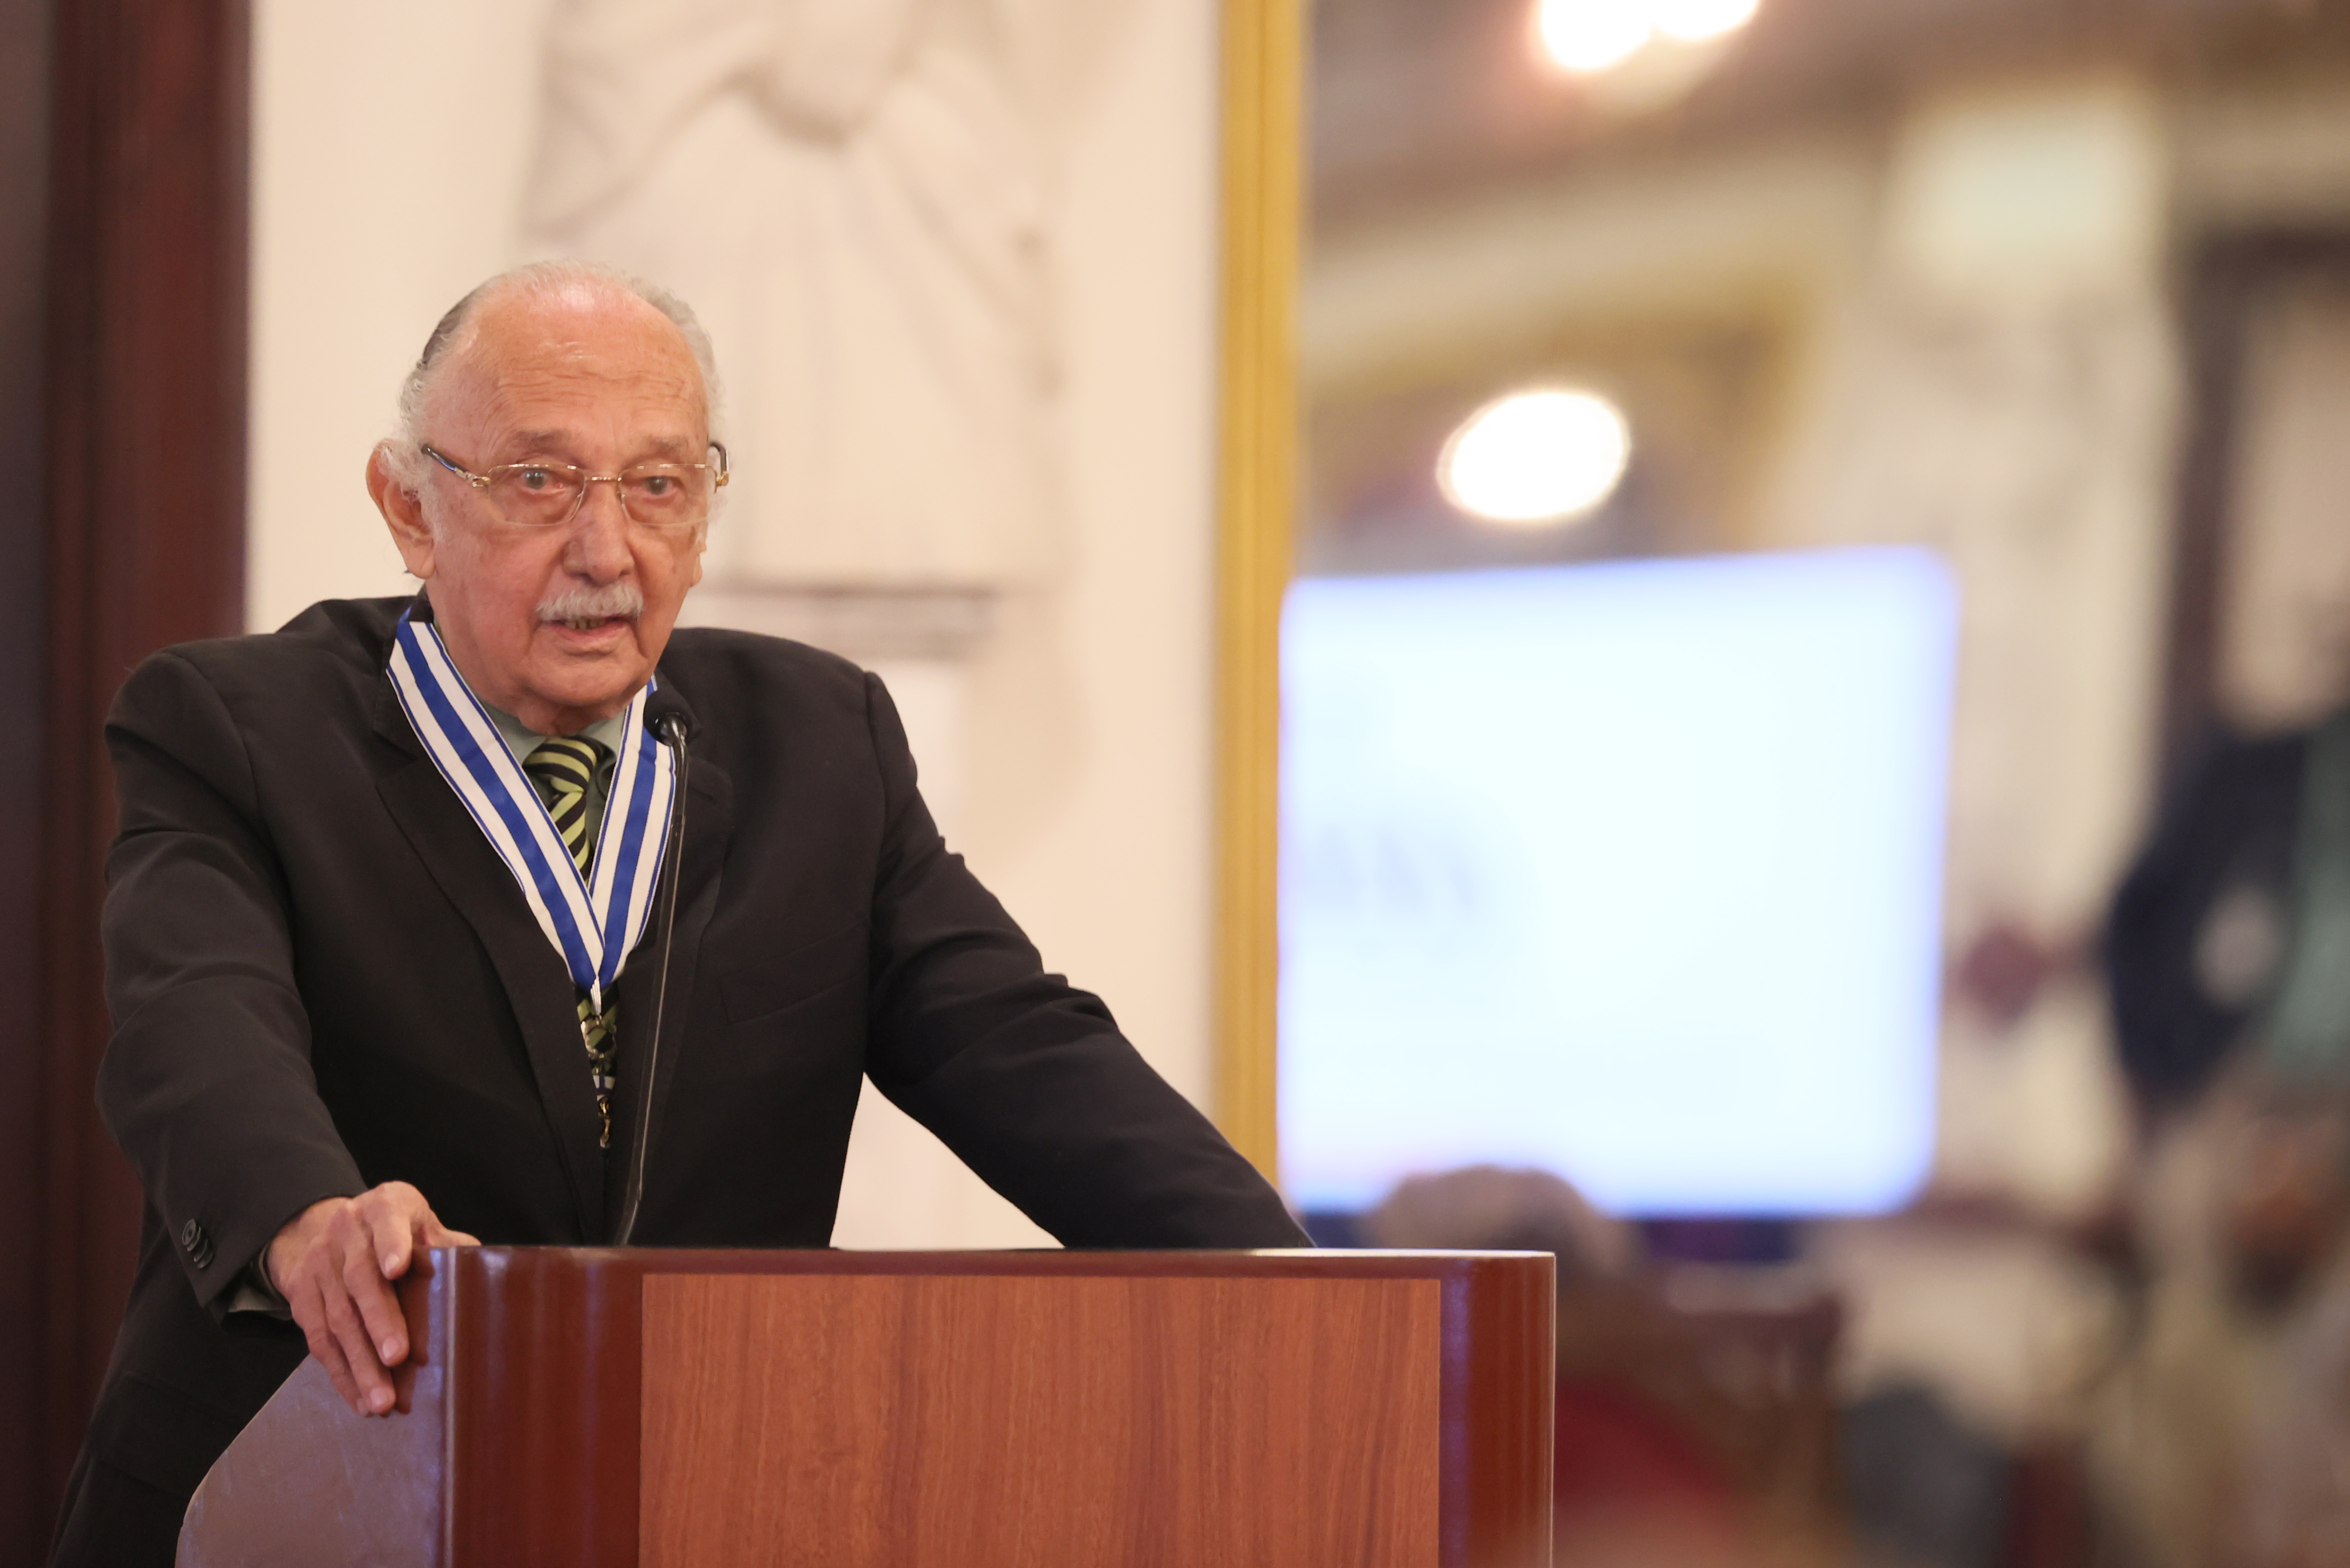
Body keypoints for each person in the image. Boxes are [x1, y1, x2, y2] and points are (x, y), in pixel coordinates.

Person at [50, 260, 1306, 1567]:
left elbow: (1020, 1044)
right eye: (540, 480)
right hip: (296, 1495)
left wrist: (1298, 1290)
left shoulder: (819, 745)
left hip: (685, 1499)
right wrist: (309, 1217)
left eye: (658, 485)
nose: (606, 551)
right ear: (410, 506)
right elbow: (197, 1022)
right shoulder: (237, 729)